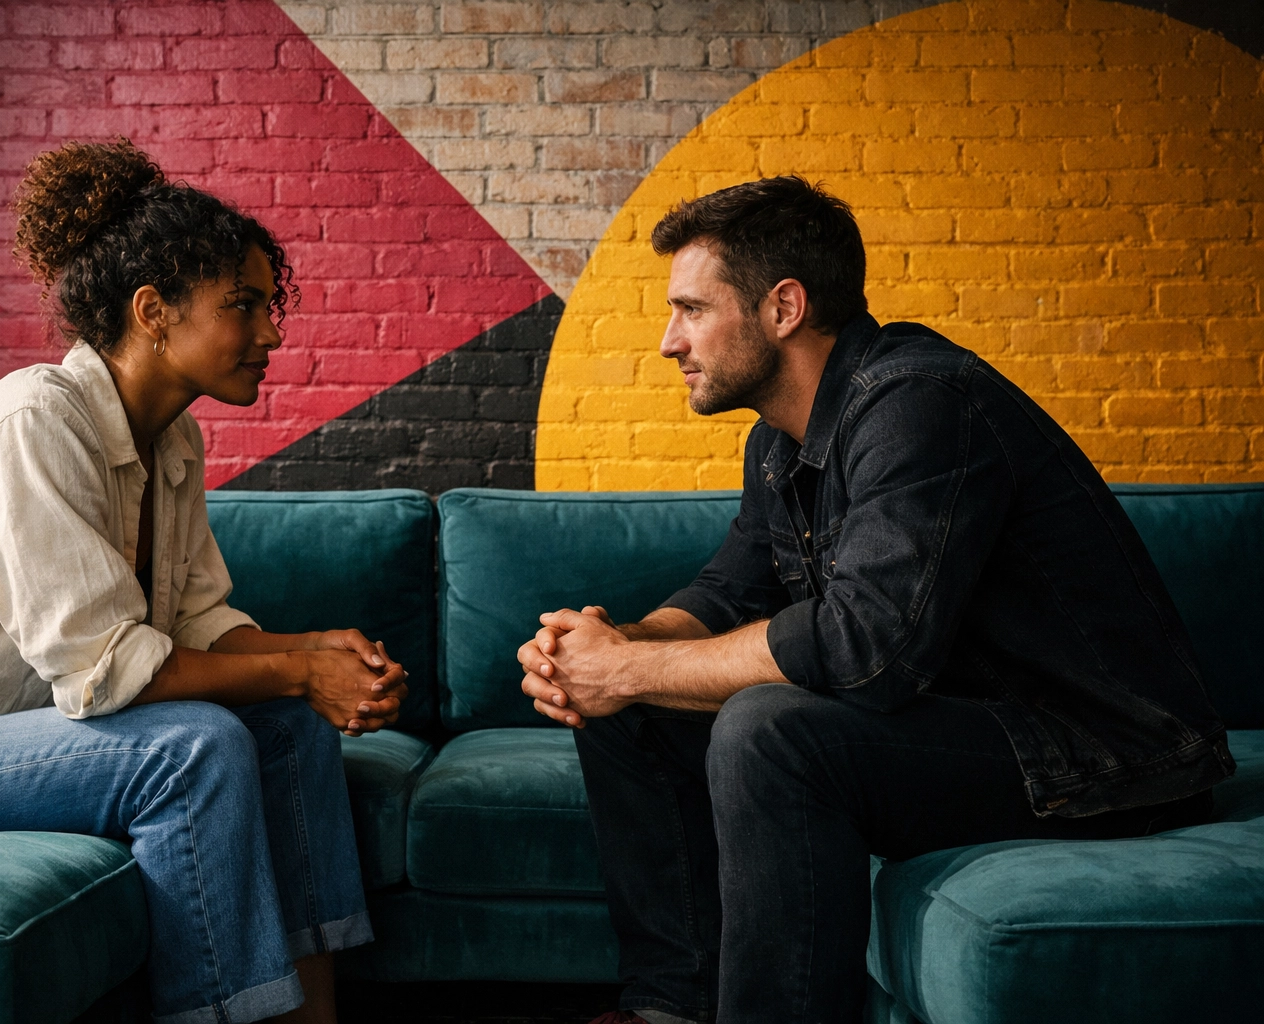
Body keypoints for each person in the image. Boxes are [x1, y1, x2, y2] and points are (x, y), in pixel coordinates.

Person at [515, 176, 1234, 1024]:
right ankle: (675, 1007)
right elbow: (721, 593)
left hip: (1102, 752)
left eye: (691, 310)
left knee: (769, 729)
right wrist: (606, 648)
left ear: (783, 307)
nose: (670, 342)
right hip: (967, 726)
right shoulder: (781, 443)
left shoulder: (921, 402)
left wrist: (632, 666)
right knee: (631, 708)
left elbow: (866, 648)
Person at [0, 140, 404, 1024]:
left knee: (292, 729)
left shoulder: (171, 441)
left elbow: (200, 622)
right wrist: (299, 666)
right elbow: (108, 671)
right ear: (153, 311)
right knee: (194, 747)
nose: (272, 332)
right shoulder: (32, 422)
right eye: (242, 306)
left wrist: (317, 657)